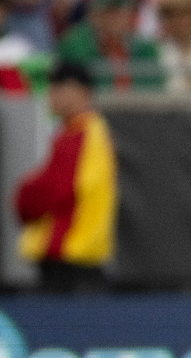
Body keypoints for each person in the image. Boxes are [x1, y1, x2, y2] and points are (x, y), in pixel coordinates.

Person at [14, 61, 118, 292]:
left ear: (82, 92)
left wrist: (22, 196)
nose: (51, 94)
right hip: (78, 255)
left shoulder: (81, 133)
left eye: (59, 87)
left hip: (71, 255)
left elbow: (57, 188)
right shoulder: (82, 131)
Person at [54, 0, 163, 90]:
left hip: (139, 111)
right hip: (92, 112)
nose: (114, 19)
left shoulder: (145, 47)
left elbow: (155, 87)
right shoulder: (74, 44)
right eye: (107, 12)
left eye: (119, 12)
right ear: (94, 14)